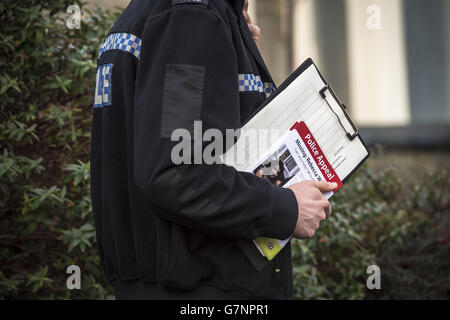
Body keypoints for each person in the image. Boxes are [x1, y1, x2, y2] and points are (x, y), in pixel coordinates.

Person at [90, 0, 335, 300]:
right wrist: (285, 208)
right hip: (200, 289)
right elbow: (177, 172)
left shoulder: (155, 14)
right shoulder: (192, 16)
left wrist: (231, 46)